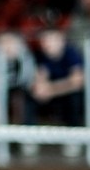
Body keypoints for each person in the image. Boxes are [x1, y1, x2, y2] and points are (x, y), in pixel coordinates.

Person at [30, 25, 85, 157]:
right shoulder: (41, 55)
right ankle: (29, 136)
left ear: (61, 40)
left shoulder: (71, 53)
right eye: (44, 41)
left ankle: (73, 137)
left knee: (74, 98)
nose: (46, 44)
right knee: (29, 97)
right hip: (52, 96)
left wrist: (52, 89)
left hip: (68, 95)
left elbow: (77, 82)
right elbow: (40, 77)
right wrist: (40, 87)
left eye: (50, 40)